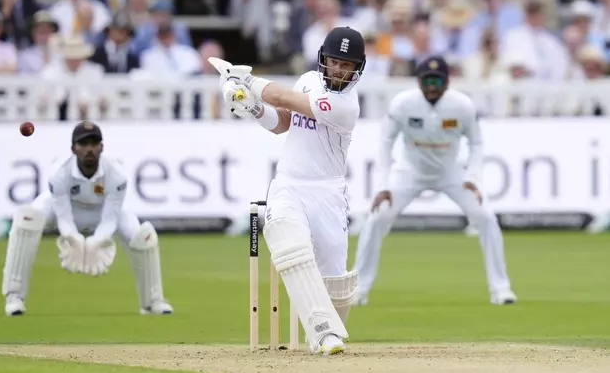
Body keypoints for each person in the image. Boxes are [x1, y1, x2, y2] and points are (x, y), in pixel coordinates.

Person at [213, 27, 366, 355]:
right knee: (288, 243)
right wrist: (251, 107)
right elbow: (283, 121)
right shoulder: (309, 79)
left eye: (347, 64)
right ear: (324, 58)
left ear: (357, 68)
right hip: (289, 184)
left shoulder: (346, 105)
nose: (339, 69)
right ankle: (323, 333)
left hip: (328, 194)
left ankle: (329, 330)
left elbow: (283, 98)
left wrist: (247, 81)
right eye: (335, 61)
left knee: (335, 283)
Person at [352, 56, 517, 306]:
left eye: (436, 81)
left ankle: (501, 289)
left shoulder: (462, 106)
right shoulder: (403, 104)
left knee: (485, 217)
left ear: (447, 82)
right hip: (410, 171)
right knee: (377, 217)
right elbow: (386, 143)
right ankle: (358, 289)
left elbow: (476, 143)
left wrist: (473, 176)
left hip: (450, 172)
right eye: (427, 80)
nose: (431, 86)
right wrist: (384, 185)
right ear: (418, 81)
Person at [2, 121, 173, 316]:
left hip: (101, 210)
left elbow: (110, 218)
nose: (89, 149)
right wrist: (73, 239)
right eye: (83, 144)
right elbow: (63, 216)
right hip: (67, 208)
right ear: (73, 148)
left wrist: (96, 241)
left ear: (101, 147)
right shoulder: (60, 173)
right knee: (26, 219)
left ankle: (153, 301)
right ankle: (14, 297)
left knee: (143, 237)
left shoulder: (116, 174)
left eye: (94, 143)